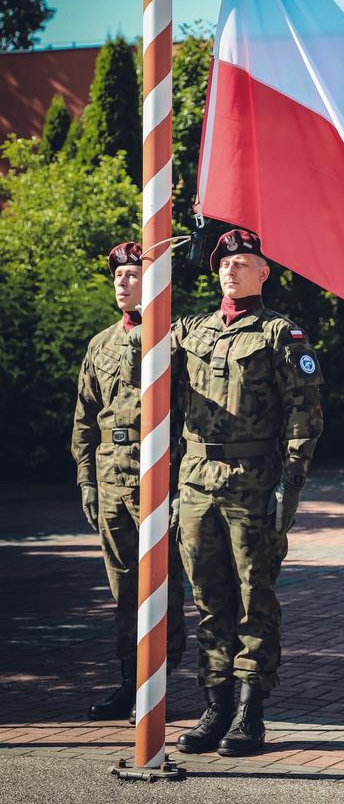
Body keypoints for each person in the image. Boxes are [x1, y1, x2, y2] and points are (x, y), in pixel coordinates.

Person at [124, 227, 324, 756]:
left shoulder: (282, 334)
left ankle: (249, 714)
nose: (231, 270)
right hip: (195, 483)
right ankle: (215, 706)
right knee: (209, 602)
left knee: (254, 598)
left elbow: (305, 417)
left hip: (254, 480)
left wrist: (290, 485)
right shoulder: (191, 329)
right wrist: (154, 269)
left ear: (265, 272)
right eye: (224, 264)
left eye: (244, 263)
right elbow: (138, 355)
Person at [71, 241, 186, 722]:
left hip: (160, 476)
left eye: (133, 274)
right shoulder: (99, 344)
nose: (122, 281)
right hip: (111, 478)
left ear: (154, 281)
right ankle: (129, 681)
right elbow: (83, 420)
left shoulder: (176, 337)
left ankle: (159, 681)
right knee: (123, 588)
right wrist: (88, 483)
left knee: (161, 584)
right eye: (117, 275)